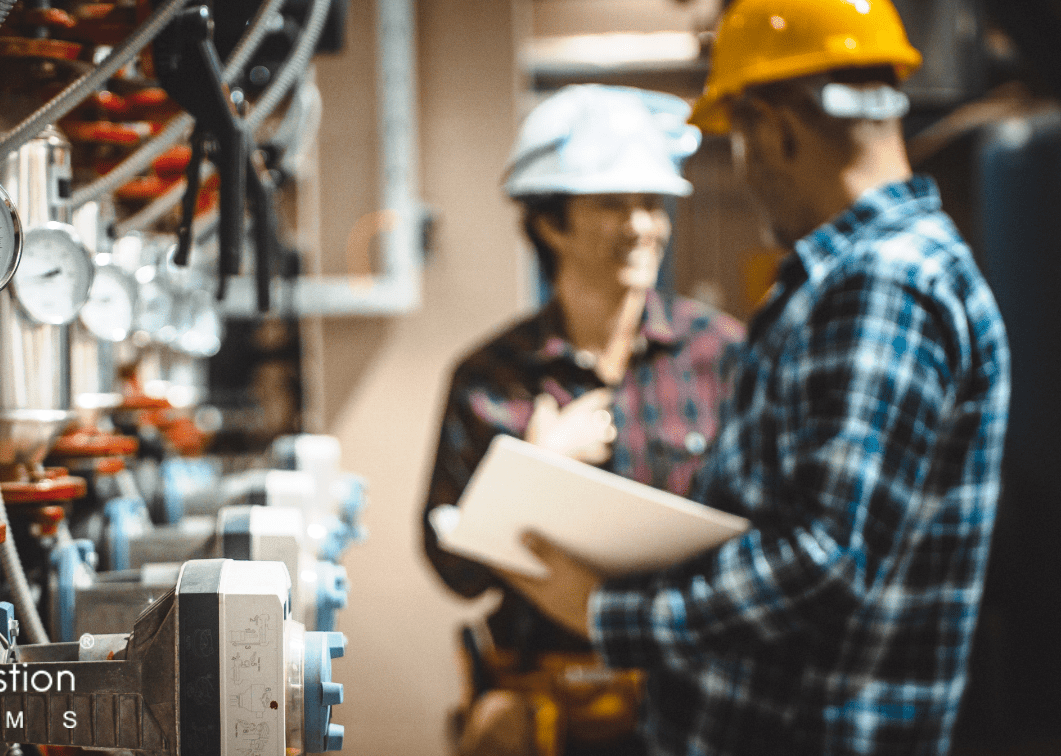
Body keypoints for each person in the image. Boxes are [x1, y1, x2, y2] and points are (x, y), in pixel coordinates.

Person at [502, 1, 1012, 755]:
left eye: (737, 135)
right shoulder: (871, 273)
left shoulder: (881, 284)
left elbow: (825, 558)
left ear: (775, 123)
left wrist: (610, 616)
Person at [421, 85, 745, 756]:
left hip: (697, 697)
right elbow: (455, 572)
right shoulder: (488, 380)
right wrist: (532, 473)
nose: (641, 225)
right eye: (612, 204)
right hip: (546, 708)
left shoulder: (723, 354)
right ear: (549, 222)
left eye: (652, 203)